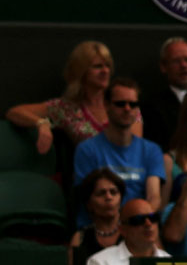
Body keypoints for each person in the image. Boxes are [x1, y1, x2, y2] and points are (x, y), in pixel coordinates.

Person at [6, 40, 117, 152]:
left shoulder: (122, 102)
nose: (105, 71)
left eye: (108, 65)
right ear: (82, 71)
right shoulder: (67, 108)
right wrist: (42, 123)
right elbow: (14, 112)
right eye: (98, 66)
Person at [70, 77, 165, 209]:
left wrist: (137, 222)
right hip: (100, 224)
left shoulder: (151, 150)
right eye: (120, 104)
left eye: (133, 104)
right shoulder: (87, 150)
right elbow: (88, 201)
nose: (127, 109)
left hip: (137, 223)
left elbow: (154, 198)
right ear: (106, 105)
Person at [84, 198, 169, 265]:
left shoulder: (169, 261)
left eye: (153, 218)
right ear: (122, 230)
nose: (148, 224)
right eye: (138, 220)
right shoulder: (100, 262)